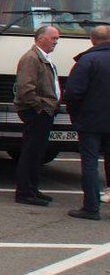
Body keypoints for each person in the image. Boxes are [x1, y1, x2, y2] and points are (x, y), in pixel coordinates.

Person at [61, 25, 110, 220]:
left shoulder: (87, 61)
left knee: (90, 163)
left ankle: (91, 207)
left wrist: (75, 112)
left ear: (92, 40)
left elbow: (73, 93)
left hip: (90, 121)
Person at [13, 24, 61, 206]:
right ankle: (25, 192)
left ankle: (33, 188)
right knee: (30, 152)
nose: (56, 42)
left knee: (37, 152)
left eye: (57, 38)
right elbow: (25, 88)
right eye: (53, 38)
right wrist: (40, 107)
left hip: (44, 111)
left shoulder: (43, 58)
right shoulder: (31, 58)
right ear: (41, 38)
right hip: (36, 112)